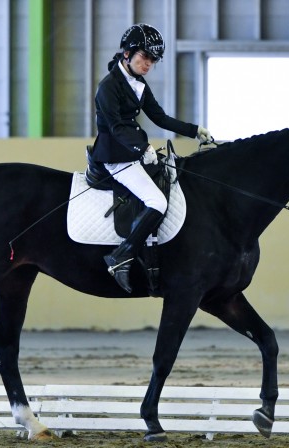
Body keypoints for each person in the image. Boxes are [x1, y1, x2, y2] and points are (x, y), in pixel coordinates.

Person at [91, 23, 213, 293]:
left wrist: (194, 131)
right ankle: (121, 256)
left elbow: (159, 117)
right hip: (115, 157)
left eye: (152, 61)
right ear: (127, 53)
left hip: (132, 152)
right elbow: (116, 127)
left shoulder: (138, 82)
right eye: (144, 58)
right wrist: (142, 149)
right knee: (156, 201)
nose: (148, 65)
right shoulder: (108, 87)